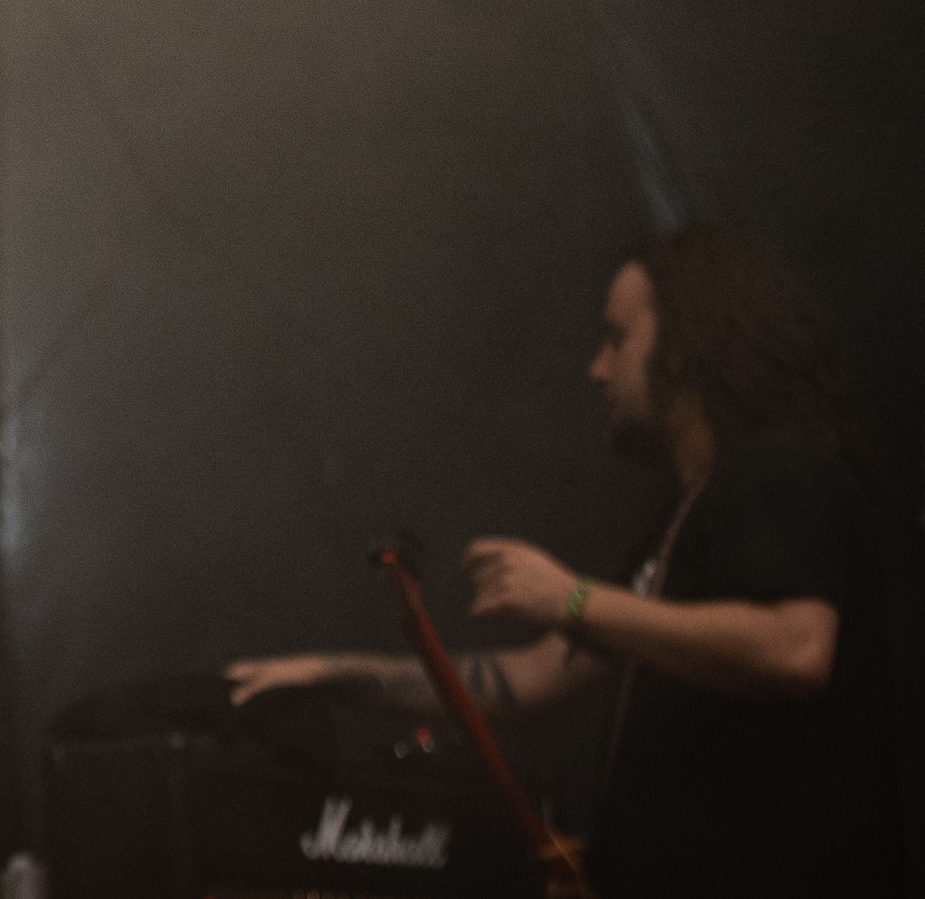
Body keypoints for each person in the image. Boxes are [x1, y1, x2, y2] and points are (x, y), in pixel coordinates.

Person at [226, 222, 901, 897]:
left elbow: (796, 647)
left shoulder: (777, 469)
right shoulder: (682, 517)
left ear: (683, 348)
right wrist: (330, 675)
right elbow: (526, 679)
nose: (597, 368)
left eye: (616, 339)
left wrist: (572, 597)